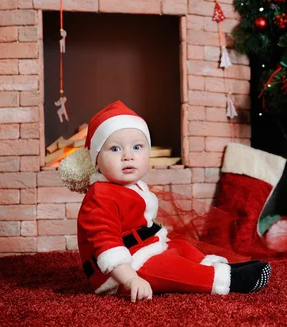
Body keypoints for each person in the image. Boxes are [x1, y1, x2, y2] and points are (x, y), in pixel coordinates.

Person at [59, 100, 271, 302]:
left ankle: (217, 267)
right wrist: (131, 279)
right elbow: (107, 246)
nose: (128, 156)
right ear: (96, 162)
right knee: (169, 268)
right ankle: (227, 280)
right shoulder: (100, 196)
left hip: (142, 248)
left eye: (137, 147)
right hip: (118, 271)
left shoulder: (134, 186)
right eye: (115, 149)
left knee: (181, 247)